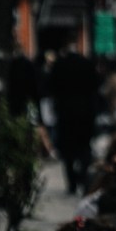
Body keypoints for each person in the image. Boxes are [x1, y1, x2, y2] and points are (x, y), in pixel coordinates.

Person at [48, 29, 98, 195]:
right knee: (84, 149)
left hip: (65, 114)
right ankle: (83, 179)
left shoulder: (59, 65)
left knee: (68, 151)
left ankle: (72, 183)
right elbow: (94, 88)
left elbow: (52, 89)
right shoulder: (86, 64)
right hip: (85, 115)